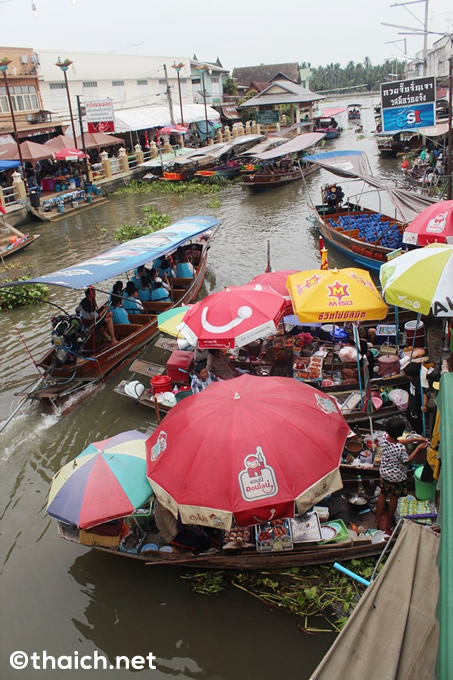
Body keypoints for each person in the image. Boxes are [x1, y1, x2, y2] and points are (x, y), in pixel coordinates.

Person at [375, 416, 428, 531]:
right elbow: (407, 461)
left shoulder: (383, 437)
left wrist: (415, 439)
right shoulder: (400, 449)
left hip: (384, 474)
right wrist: (418, 448)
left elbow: (398, 441)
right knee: (394, 497)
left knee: (383, 494)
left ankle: (376, 519)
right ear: (400, 433)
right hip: (397, 478)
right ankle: (389, 522)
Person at [404, 361, 429, 434]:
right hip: (412, 398)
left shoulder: (421, 383)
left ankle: (419, 432)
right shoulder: (413, 380)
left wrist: (424, 405)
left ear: (412, 375)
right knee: (408, 415)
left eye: (407, 375)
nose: (407, 377)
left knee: (415, 418)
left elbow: (424, 394)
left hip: (417, 403)